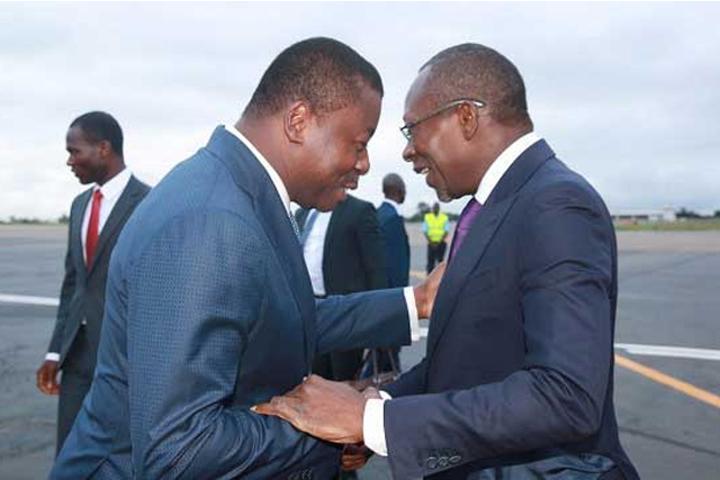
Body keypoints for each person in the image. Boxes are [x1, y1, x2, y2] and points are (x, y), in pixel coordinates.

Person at [50, 38, 441, 480]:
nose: (365, 164)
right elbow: (179, 450)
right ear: (298, 120)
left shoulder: (243, 194)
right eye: (359, 143)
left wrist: (417, 301)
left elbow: (284, 318)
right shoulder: (210, 220)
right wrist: (334, 428)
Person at [255, 43, 640, 480]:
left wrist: (374, 423)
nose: (407, 151)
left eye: (412, 129)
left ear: (466, 117)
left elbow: (566, 395)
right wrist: (376, 404)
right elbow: (463, 363)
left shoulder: (556, 204)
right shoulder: (493, 207)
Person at [35, 111, 149, 454]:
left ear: (103, 148)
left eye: (75, 151)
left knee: (119, 456)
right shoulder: (80, 205)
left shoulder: (149, 204)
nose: (69, 161)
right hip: (77, 355)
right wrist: (55, 351)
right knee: (69, 453)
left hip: (124, 357)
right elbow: (73, 285)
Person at [297, 194, 388, 383]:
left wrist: (379, 317)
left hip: (345, 312)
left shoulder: (359, 211)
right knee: (314, 380)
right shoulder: (302, 214)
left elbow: (375, 267)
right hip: (311, 309)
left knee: (344, 379)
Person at [372, 173, 411, 373]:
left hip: (375, 297)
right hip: (391, 299)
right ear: (399, 191)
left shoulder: (376, 215)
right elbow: (396, 268)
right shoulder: (392, 219)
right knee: (388, 360)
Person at [423, 201, 449, 273]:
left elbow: (446, 231)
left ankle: (440, 277)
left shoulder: (444, 217)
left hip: (441, 243)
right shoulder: (427, 217)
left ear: (439, 208)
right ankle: (429, 276)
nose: (436, 209)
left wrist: (439, 242)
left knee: (440, 262)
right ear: (432, 208)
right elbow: (425, 231)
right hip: (431, 243)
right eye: (434, 207)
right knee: (430, 262)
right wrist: (431, 242)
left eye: (437, 207)